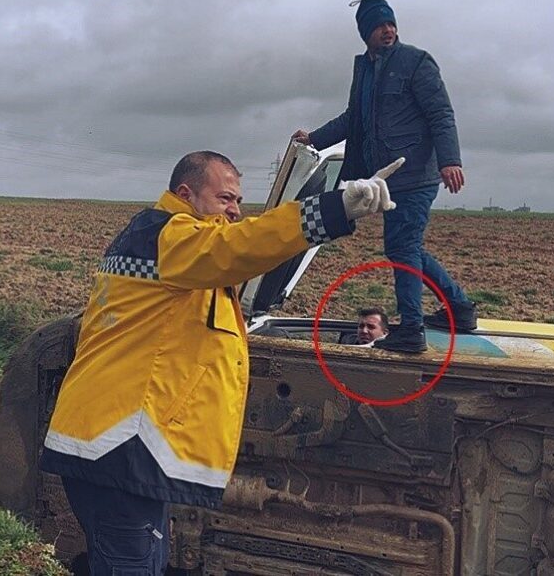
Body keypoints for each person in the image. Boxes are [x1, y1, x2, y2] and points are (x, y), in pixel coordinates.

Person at [39, 150, 404, 574]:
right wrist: (333, 208)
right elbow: (238, 247)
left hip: (118, 447)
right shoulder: (174, 236)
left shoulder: (163, 243)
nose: (235, 211)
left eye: (238, 202)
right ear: (185, 194)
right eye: (225, 199)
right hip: (121, 446)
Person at [292, 0, 478, 353]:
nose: (388, 30)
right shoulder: (364, 70)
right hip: (387, 178)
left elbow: (441, 114)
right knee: (407, 247)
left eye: (391, 23)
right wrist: (314, 138)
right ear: (366, 32)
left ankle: (411, 329)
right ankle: (459, 309)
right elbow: (353, 119)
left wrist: (450, 161)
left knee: (402, 246)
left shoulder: (416, 62)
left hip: (416, 173)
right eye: (379, 26)